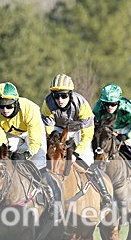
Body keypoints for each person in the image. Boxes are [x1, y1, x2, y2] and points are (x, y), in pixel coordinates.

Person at [41, 73, 113, 211]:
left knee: (88, 161)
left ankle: (105, 196)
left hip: (80, 130)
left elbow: (87, 134)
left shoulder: (81, 104)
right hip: (58, 129)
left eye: (64, 96)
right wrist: (54, 145)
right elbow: (48, 132)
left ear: (70, 94)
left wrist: (76, 153)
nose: (60, 100)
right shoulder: (47, 103)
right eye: (56, 96)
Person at [0, 82, 58, 219]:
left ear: (16, 102)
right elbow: (0, 141)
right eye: (1, 106)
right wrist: (6, 156)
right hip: (12, 135)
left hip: (32, 134)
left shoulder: (30, 109)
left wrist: (27, 154)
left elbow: (35, 140)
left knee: (39, 163)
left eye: (9, 106)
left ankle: (52, 200)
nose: (5, 110)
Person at [92, 82, 131, 187]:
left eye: (113, 104)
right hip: (107, 128)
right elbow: (93, 123)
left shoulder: (128, 108)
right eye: (106, 104)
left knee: (128, 145)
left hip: (126, 128)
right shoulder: (98, 107)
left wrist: (127, 135)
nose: (109, 107)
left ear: (118, 102)